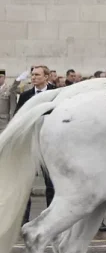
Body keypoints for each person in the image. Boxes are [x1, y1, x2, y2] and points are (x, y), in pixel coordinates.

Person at [19, 66, 57, 225]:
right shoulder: (25, 95)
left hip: (51, 144)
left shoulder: (57, 93)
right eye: (32, 75)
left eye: (37, 75)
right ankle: (23, 220)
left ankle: (52, 219)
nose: (33, 77)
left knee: (52, 185)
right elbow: (18, 118)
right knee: (25, 184)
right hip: (31, 144)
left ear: (46, 77)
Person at [0, 69, 27, 133]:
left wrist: (12, 121)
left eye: (0, 77)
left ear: (4, 77)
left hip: (4, 122)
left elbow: (13, 107)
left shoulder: (9, 89)